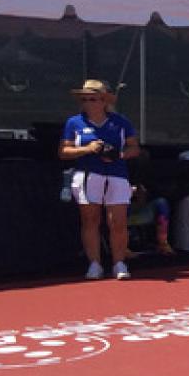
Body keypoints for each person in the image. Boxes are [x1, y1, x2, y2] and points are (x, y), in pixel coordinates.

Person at [59, 78, 141, 280]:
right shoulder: (74, 122)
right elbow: (63, 151)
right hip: (88, 175)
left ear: (104, 101)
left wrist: (118, 154)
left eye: (93, 99)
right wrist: (88, 149)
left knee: (117, 221)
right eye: (85, 99)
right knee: (91, 220)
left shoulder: (120, 122)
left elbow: (134, 148)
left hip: (117, 175)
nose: (88, 103)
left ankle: (119, 263)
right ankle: (94, 264)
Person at [126, 184, 174, 256]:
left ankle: (163, 244)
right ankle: (122, 247)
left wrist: (140, 192)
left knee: (162, 203)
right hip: (120, 211)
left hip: (141, 210)